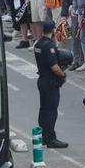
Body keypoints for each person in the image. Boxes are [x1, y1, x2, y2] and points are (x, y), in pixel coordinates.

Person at [34, 20, 67, 148]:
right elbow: (54, 66)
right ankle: (50, 138)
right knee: (51, 111)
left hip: (42, 79)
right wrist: (63, 75)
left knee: (44, 109)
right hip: (49, 81)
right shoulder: (49, 45)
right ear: (53, 30)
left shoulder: (38, 43)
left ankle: (43, 135)